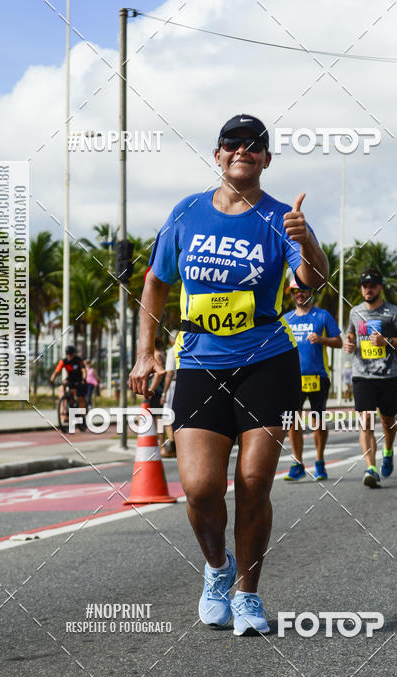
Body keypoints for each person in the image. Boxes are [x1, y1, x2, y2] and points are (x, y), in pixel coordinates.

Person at [129, 113, 328, 636]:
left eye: (254, 144)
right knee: (199, 487)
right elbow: (155, 283)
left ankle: (247, 593)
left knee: (255, 480)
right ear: (217, 154)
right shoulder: (188, 212)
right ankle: (217, 569)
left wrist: (306, 241)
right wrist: (145, 351)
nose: (243, 149)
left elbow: (315, 280)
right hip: (198, 361)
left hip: (267, 360)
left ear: (266, 158)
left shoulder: (282, 217)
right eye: (231, 143)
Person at [344, 269, 397, 488]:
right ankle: (370, 467)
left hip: (388, 376)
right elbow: (350, 334)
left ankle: (388, 449)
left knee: (387, 421)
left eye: (372, 285)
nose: (368, 289)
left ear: (380, 288)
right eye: (365, 286)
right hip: (362, 375)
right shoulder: (355, 312)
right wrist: (349, 342)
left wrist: (388, 341)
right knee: (365, 422)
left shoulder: (392, 312)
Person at [282, 279, 342, 481]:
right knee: (293, 422)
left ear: (311, 293)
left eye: (303, 291)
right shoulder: (286, 319)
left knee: (318, 421)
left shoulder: (322, 315)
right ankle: (298, 462)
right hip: (292, 379)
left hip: (318, 376)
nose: (299, 295)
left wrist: (322, 339)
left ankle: (319, 461)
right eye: (295, 292)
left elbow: (339, 342)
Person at [50, 345, 87, 426]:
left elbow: (84, 371)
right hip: (70, 379)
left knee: (80, 398)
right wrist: (52, 380)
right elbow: (56, 372)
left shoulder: (79, 360)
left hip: (80, 380)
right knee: (66, 388)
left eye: (70, 354)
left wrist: (84, 379)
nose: (69, 356)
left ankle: (83, 417)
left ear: (74, 354)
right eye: (67, 354)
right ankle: (67, 407)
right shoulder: (63, 361)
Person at [160, 329, 179, 457]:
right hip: (184, 383)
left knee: (167, 416)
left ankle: (172, 445)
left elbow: (169, 373)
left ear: (171, 340)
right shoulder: (186, 348)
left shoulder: (172, 351)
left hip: (173, 384)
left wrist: (164, 392)